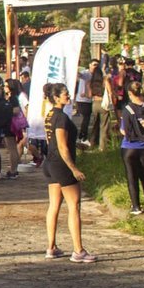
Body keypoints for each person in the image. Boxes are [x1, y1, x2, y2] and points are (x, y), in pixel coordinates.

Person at [41, 83, 94, 262]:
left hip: (50, 163)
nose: (69, 96)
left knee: (54, 205)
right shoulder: (62, 117)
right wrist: (74, 169)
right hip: (61, 165)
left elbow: (53, 141)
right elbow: (62, 147)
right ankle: (78, 250)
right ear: (56, 98)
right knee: (74, 206)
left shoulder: (50, 115)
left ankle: (51, 247)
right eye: (65, 94)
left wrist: (76, 144)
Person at [116, 80, 144, 218]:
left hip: (129, 147)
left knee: (132, 177)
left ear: (130, 93)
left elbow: (124, 131)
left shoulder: (127, 109)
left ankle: (136, 206)